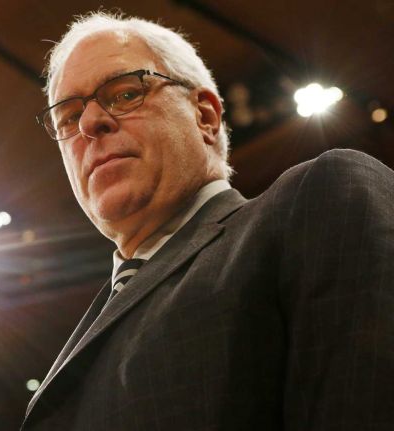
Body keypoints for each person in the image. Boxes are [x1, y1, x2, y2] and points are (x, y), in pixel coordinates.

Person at [23, 11, 394, 430]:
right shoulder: (68, 351)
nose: (90, 123)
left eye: (125, 93)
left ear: (206, 116)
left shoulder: (317, 200)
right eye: (68, 118)